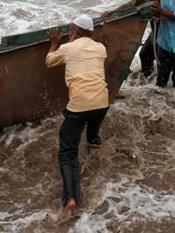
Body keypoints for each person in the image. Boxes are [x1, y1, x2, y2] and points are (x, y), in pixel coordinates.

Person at [45, 14, 109, 218]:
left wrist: (55, 43)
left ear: (75, 30)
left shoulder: (67, 48)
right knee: (92, 132)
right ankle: (95, 148)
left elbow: (49, 62)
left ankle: (71, 198)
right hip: (102, 102)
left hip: (80, 105)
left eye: (71, 29)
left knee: (67, 152)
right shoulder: (101, 48)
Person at [102, 0, 164, 76]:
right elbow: (129, 5)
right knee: (144, 55)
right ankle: (148, 79)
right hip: (155, 34)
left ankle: (162, 87)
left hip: (168, 35)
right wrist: (112, 12)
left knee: (163, 62)